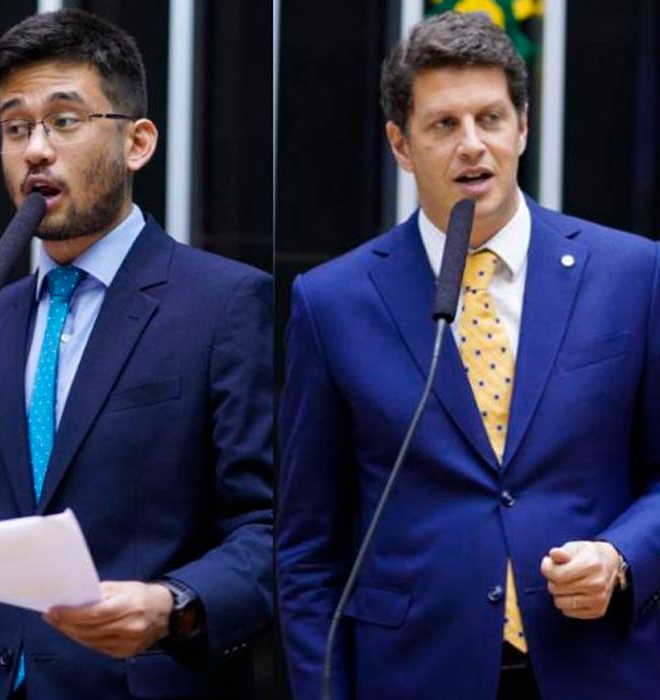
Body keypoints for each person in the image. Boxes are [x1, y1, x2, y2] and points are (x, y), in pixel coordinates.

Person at [0, 8, 272, 700]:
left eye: (64, 121)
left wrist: (176, 603)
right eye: (16, 127)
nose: (36, 149)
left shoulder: (225, 306)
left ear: (138, 143)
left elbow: (271, 528)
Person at [278, 11, 660, 700]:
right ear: (400, 143)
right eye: (444, 125)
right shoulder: (332, 301)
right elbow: (309, 548)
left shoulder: (632, 274)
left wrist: (623, 555)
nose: (472, 145)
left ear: (523, 127)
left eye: (490, 118)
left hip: (599, 666)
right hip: (417, 674)